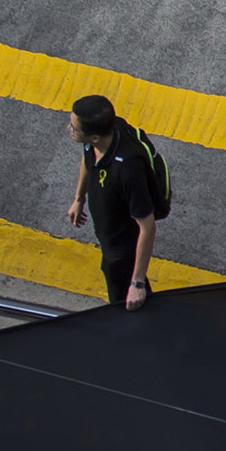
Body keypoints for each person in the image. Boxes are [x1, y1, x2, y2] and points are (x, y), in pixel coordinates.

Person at [63, 94, 162, 309]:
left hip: (121, 245)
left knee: (126, 300)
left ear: (95, 137)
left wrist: (136, 282)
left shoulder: (127, 170)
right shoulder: (101, 136)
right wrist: (79, 198)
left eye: (73, 128)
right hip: (107, 230)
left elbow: (147, 226)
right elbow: (88, 158)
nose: (69, 129)